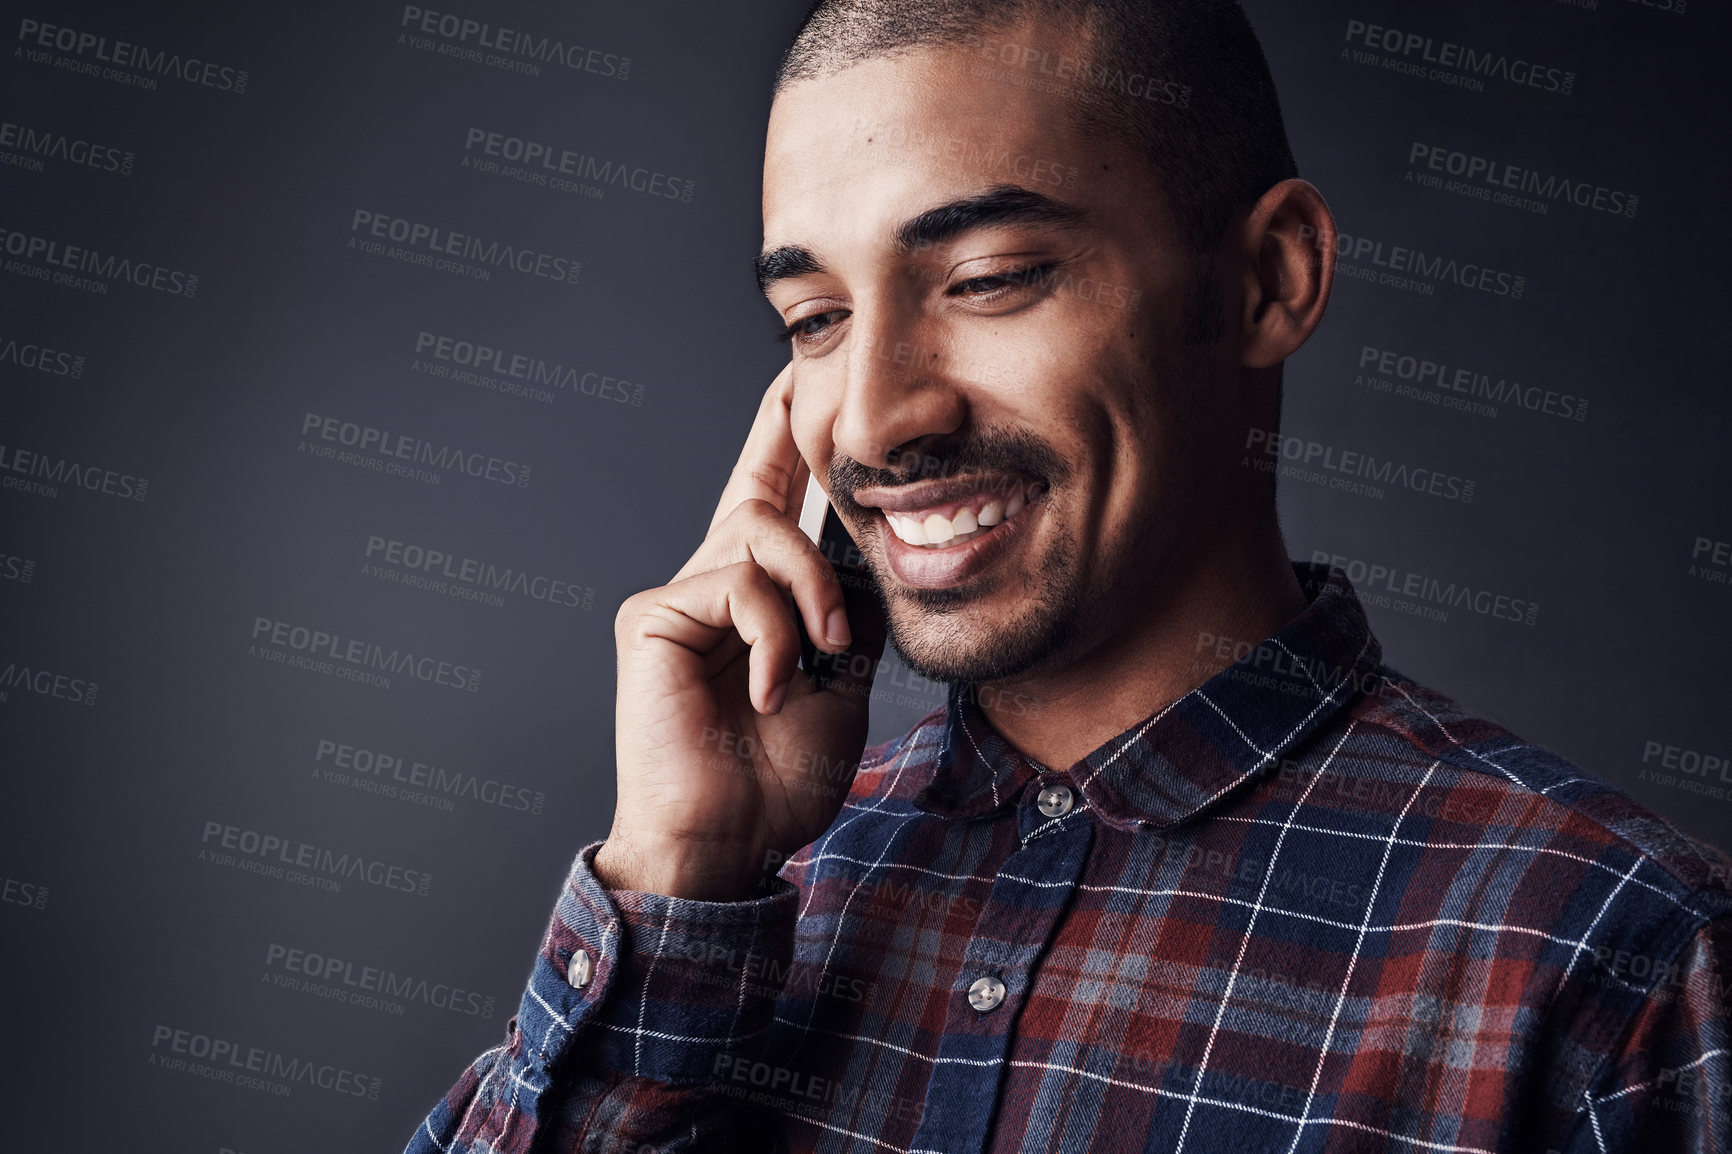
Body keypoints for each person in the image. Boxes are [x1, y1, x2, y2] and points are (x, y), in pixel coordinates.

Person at [406, 2, 1732, 1151]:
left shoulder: (1613, 961)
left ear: (1271, 277)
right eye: (814, 320)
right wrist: (674, 875)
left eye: (989, 279)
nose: (871, 422)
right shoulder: (734, 896)